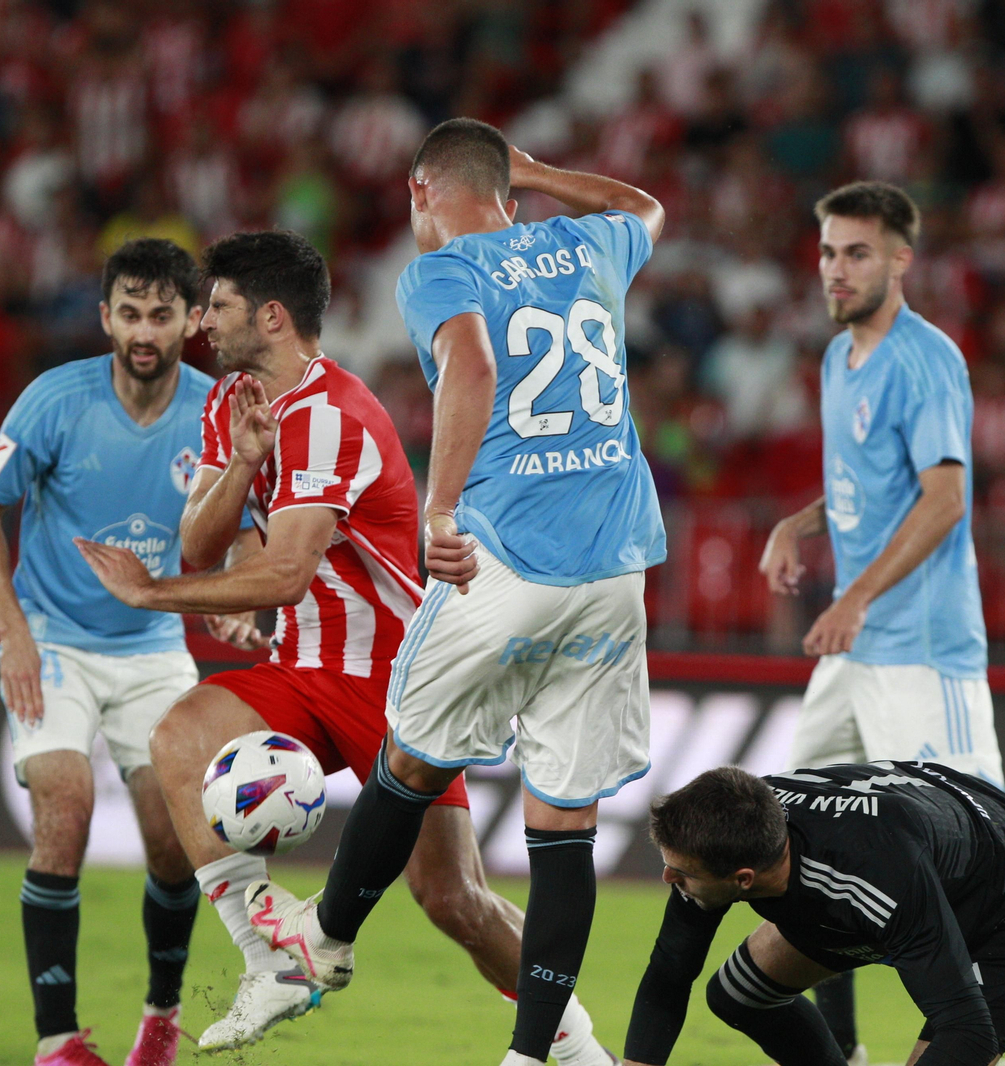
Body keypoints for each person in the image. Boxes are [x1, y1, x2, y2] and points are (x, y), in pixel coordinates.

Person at [74, 229, 615, 1063]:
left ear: (273, 316)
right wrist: (238, 468)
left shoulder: (333, 415)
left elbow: (285, 570)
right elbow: (202, 543)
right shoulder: (234, 403)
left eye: (216, 306)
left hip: (400, 678)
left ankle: (579, 1052)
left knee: (453, 899)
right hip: (303, 665)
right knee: (179, 736)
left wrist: (152, 597)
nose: (200, 325)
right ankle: (273, 963)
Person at [238, 117, 667, 1066]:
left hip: (507, 555)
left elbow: (470, 367)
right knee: (565, 827)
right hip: (616, 574)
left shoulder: (440, 271)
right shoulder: (581, 238)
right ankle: (531, 1055)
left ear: (419, 192)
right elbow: (645, 204)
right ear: (511, 187)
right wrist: (545, 174)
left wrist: (438, 513)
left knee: (410, 755)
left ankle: (328, 939)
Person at [757, 181, 1005, 1059]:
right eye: (827, 251)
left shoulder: (925, 359)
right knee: (799, 848)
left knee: (972, 871)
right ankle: (848, 1051)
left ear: (902, 259)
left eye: (856, 252)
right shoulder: (839, 360)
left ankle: (975, 1043)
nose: (835, 269)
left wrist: (856, 596)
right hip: (857, 655)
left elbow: (943, 497)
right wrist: (800, 520)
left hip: (922, 653)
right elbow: (868, 482)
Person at [0, 238, 221, 1066]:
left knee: (174, 841)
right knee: (65, 812)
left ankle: (161, 1016)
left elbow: (248, 534)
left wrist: (245, 605)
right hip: (55, 642)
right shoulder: (54, 401)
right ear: (107, 316)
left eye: (163, 314)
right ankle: (58, 1041)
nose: (145, 331)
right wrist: (13, 634)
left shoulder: (217, 411)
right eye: (131, 314)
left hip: (153, 647)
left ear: (191, 320)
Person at [622, 764, 1005, 1066]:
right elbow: (670, 971)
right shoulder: (730, 824)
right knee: (738, 995)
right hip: (920, 848)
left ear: (743, 878)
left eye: (680, 874)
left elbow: (966, 1030)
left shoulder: (870, 879)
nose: (670, 880)